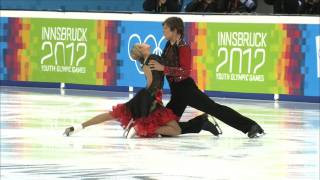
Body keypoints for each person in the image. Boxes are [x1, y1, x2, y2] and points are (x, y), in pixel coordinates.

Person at [149, 17, 265, 138]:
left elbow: (185, 71)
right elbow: (163, 63)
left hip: (186, 89)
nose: (163, 31)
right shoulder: (169, 45)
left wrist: (163, 68)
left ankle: (251, 126)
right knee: (164, 127)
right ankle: (200, 123)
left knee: (215, 109)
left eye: (166, 29)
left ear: (175, 30)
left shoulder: (183, 47)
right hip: (177, 92)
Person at [63, 43, 182, 138]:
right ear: (141, 49)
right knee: (176, 130)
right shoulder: (152, 59)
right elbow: (153, 82)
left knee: (112, 115)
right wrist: (152, 100)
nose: (145, 44)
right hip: (150, 98)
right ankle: (141, 128)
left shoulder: (147, 62)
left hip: (147, 97)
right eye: (142, 44)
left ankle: (78, 127)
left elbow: (150, 82)